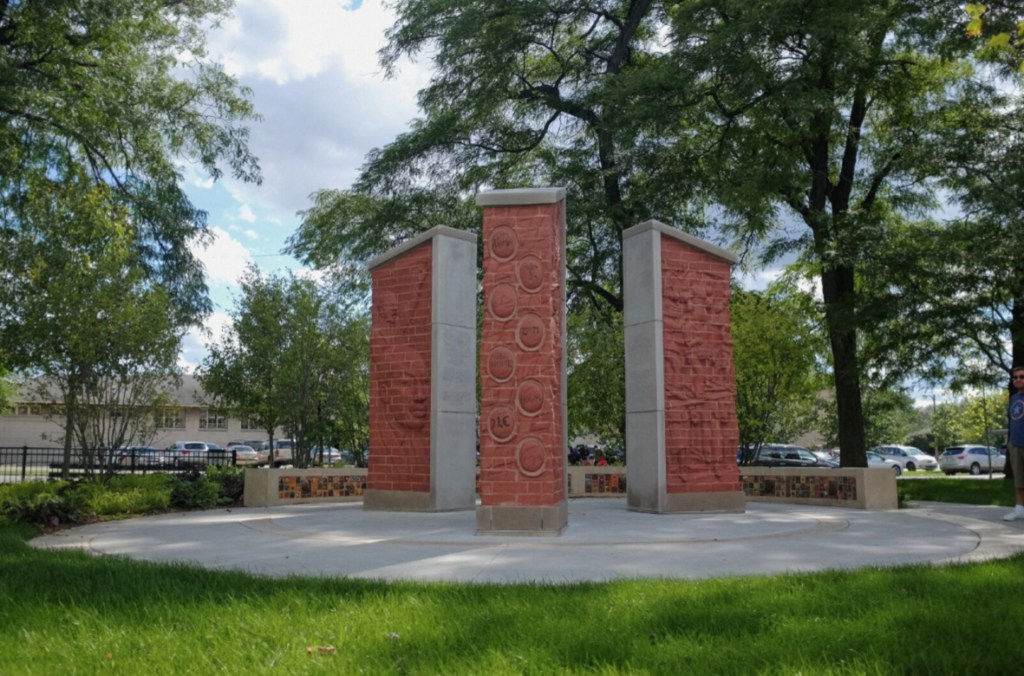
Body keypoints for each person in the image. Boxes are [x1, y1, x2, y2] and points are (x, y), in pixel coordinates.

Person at [1003, 365, 1024, 521]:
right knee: (1019, 479)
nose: (1018, 379)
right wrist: (1010, 442)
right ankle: (1019, 509)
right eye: (1015, 377)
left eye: (1021, 377)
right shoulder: (1014, 399)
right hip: (1015, 444)